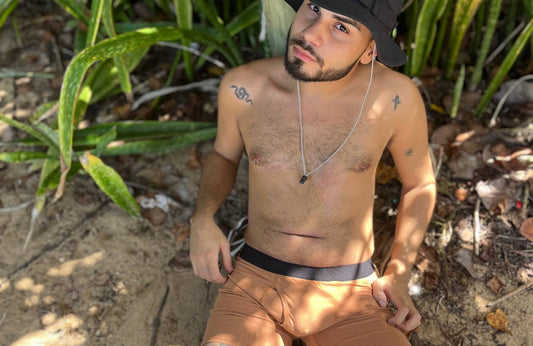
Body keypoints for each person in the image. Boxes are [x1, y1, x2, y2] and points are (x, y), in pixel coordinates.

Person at [189, 0, 437, 344]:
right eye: (314, 8)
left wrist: (398, 271)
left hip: (352, 293)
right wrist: (202, 218)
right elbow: (223, 156)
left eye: (341, 27)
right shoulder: (244, 88)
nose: (309, 34)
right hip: (254, 284)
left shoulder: (395, 98)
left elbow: (419, 183)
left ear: (369, 51)